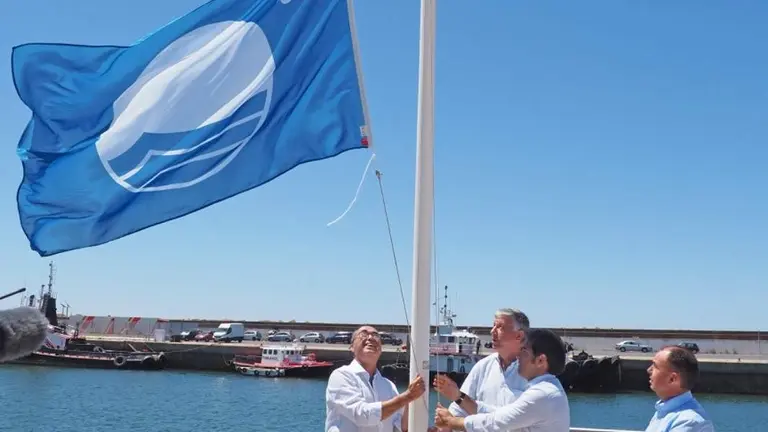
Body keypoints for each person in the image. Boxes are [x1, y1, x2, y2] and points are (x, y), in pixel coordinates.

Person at [434, 328, 570, 432]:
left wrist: (451, 421)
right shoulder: (548, 389)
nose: (518, 356)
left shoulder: (542, 394)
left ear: (541, 361)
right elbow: (499, 414)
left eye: (524, 352)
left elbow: (496, 422)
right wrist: (459, 397)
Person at [433, 309, 529, 420]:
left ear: (519, 335)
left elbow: (512, 419)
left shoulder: (534, 372)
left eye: (500, 327)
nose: (492, 331)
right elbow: (459, 409)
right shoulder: (483, 366)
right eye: (493, 326)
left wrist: (458, 397)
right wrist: (446, 421)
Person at [325, 325, 426, 432]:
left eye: (375, 335)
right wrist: (407, 397)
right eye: (363, 334)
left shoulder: (389, 385)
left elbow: (400, 427)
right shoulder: (341, 376)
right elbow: (362, 415)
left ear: (381, 349)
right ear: (352, 347)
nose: (370, 338)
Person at [645, 346, 715, 432]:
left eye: (655, 366)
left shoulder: (688, 422)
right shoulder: (664, 411)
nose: (649, 370)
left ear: (672, 379)